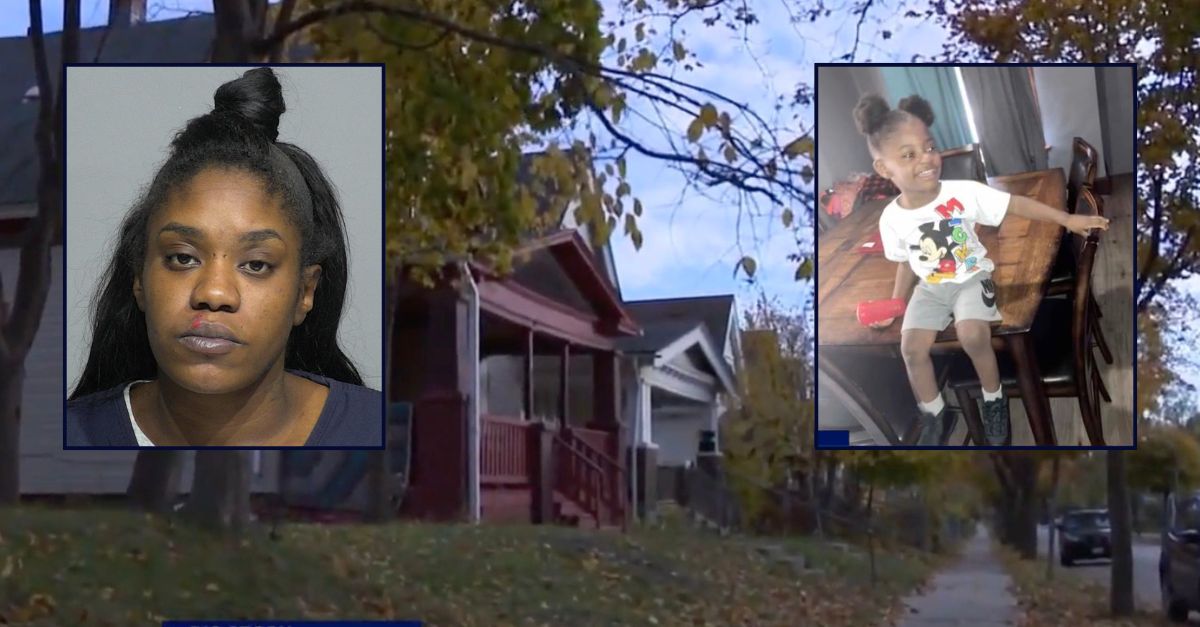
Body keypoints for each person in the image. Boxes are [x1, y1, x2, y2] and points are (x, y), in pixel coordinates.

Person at [67, 67, 381, 447]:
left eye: (256, 265)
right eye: (182, 258)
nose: (214, 294)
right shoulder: (69, 435)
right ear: (139, 279)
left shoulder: (381, 432)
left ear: (305, 292)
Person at [853, 93, 1109, 446]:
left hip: (971, 278)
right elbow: (904, 262)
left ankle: (993, 397)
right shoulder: (892, 218)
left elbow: (1015, 203)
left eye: (929, 147)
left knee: (973, 334)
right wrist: (897, 304)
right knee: (910, 348)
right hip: (931, 287)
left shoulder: (963, 192)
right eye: (909, 155)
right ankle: (935, 413)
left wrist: (1066, 218)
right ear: (884, 169)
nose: (927, 159)